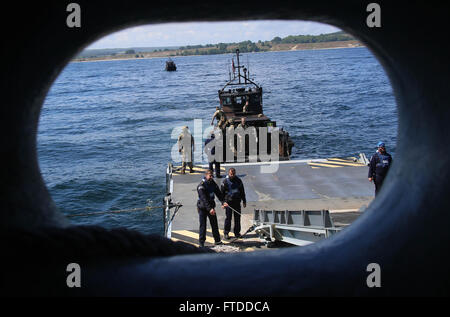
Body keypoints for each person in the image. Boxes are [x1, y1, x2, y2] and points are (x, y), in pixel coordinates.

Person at [197, 169, 224, 247]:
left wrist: (223, 201)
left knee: (214, 224)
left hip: (211, 207)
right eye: (210, 176)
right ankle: (201, 243)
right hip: (203, 208)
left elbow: (218, 193)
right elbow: (204, 199)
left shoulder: (213, 183)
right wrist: (210, 209)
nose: (211, 177)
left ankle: (217, 240)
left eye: (212, 175)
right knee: (203, 225)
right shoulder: (201, 186)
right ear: (206, 175)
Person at [221, 168, 246, 239]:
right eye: (231, 174)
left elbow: (242, 191)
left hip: (237, 202)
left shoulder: (238, 181)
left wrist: (244, 201)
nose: (232, 175)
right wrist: (223, 203)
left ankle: (237, 232)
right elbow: (221, 194)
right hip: (229, 203)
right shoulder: (225, 182)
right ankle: (226, 232)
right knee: (228, 218)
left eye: (233, 174)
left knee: (237, 218)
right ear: (229, 173)